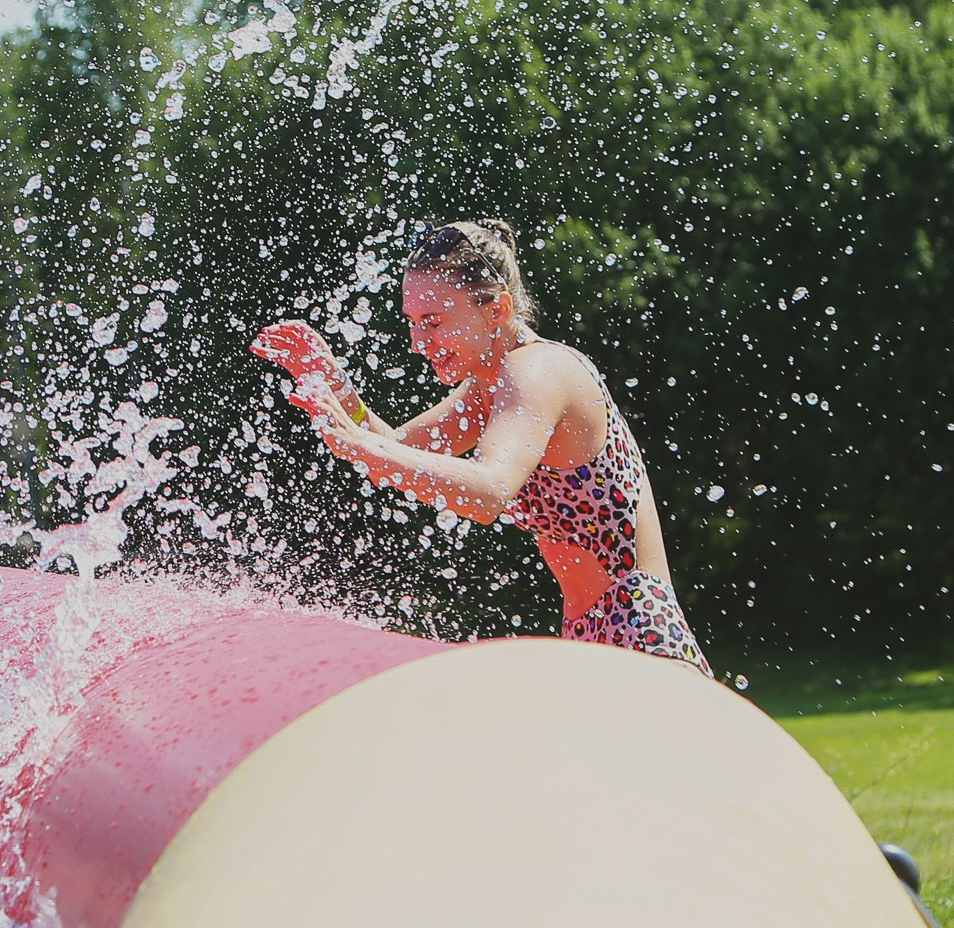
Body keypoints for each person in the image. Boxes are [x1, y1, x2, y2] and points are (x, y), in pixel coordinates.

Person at [252, 219, 709, 675]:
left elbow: (489, 491)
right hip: (593, 631)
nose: (417, 343)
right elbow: (394, 446)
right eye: (412, 324)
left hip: (638, 630)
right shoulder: (488, 388)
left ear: (496, 310)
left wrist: (362, 448)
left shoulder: (538, 371)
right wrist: (337, 389)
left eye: (433, 322)